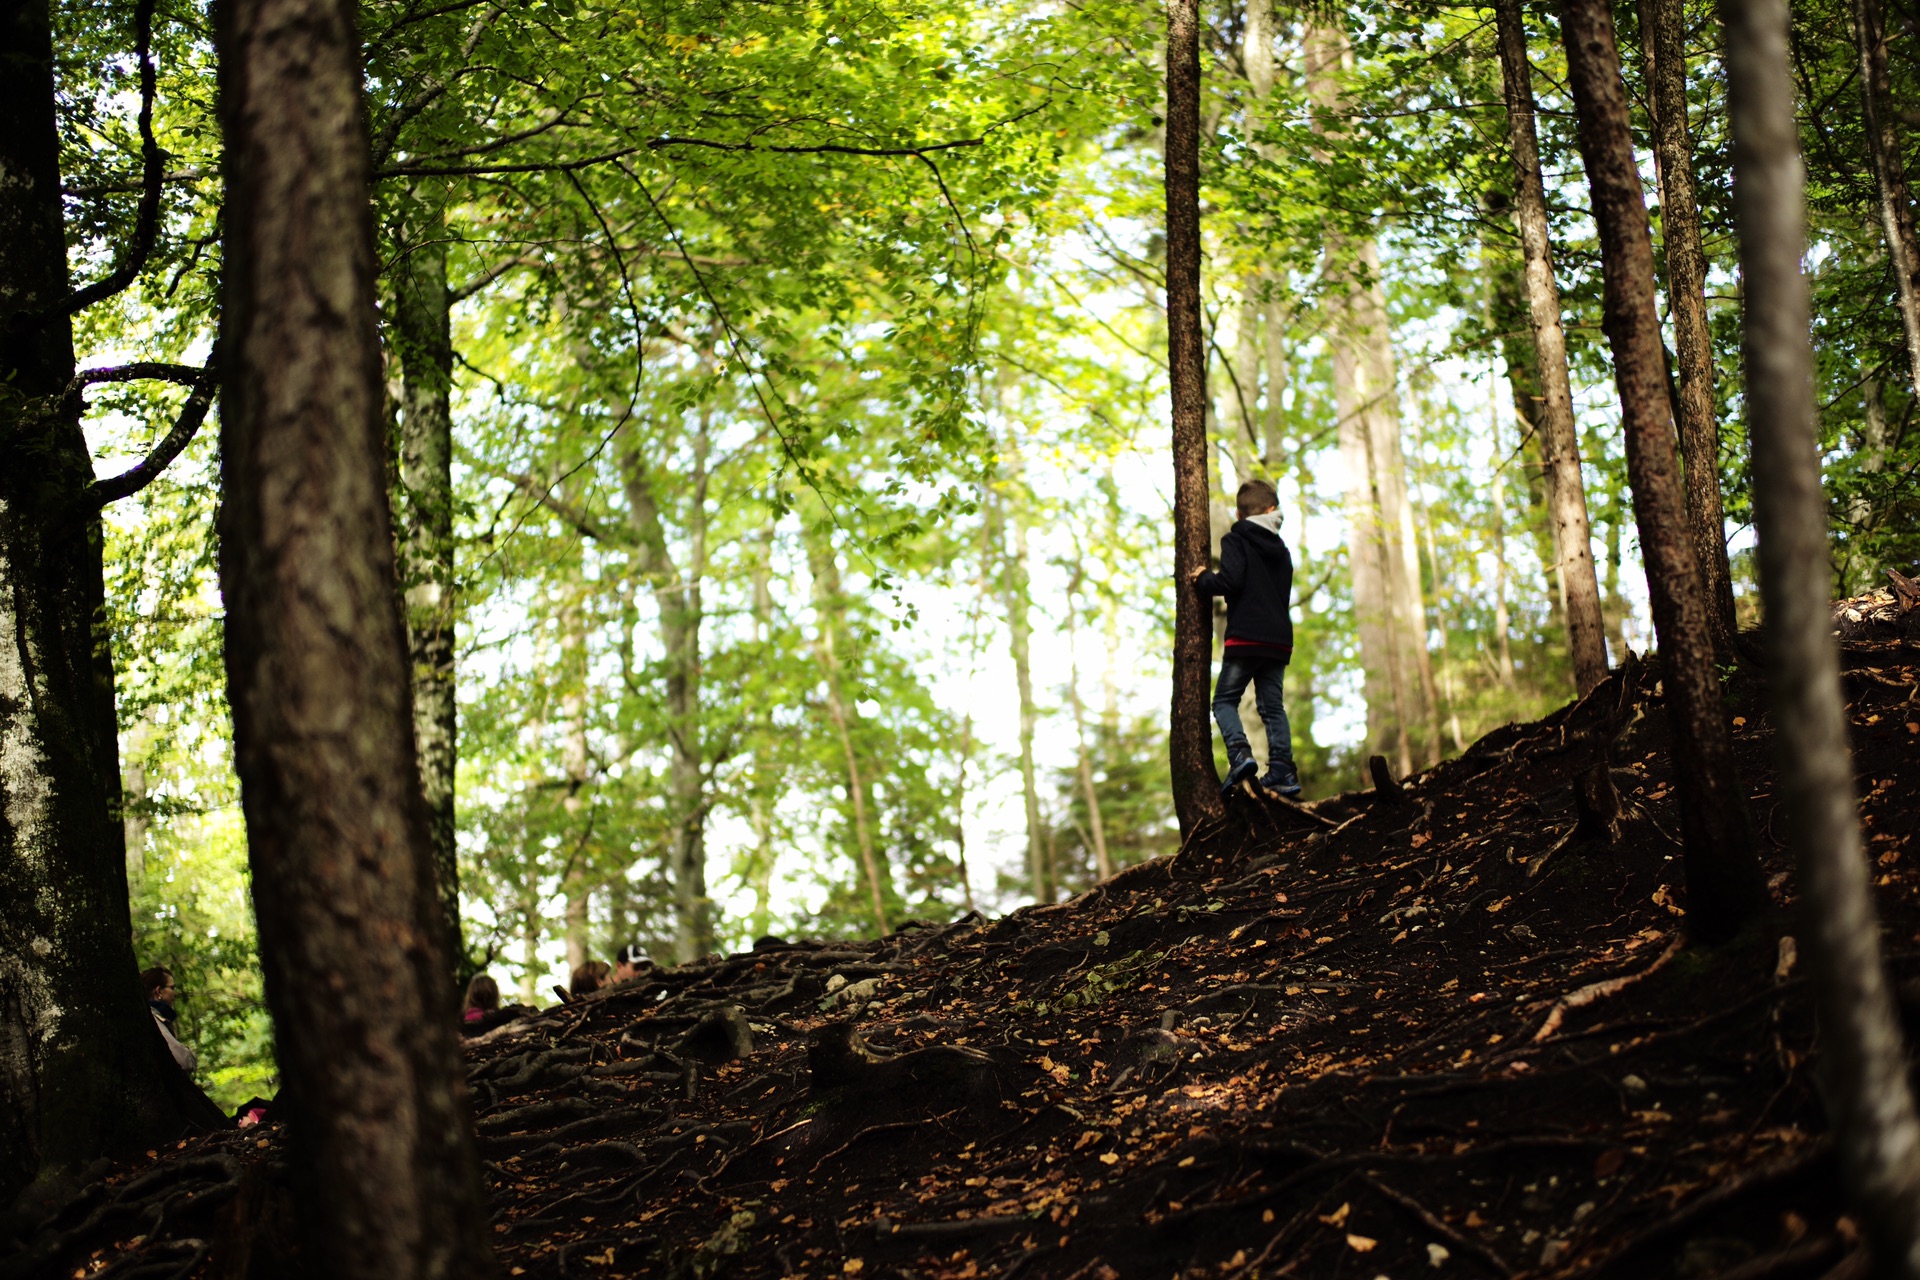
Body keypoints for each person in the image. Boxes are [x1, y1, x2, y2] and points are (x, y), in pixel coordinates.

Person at [1189, 478, 1302, 798]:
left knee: (1224, 700)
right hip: (1278, 640)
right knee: (1272, 707)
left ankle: (1240, 754)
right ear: (1272, 510)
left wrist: (1202, 580)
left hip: (1246, 637)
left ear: (1239, 516)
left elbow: (1231, 581)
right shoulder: (1282, 550)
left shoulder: (1235, 539)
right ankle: (1282, 768)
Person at [141, 966, 197, 1072]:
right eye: (172, 988)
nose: (175, 994)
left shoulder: (151, 1016)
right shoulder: (153, 1019)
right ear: (158, 992)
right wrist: (189, 1055)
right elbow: (183, 1061)